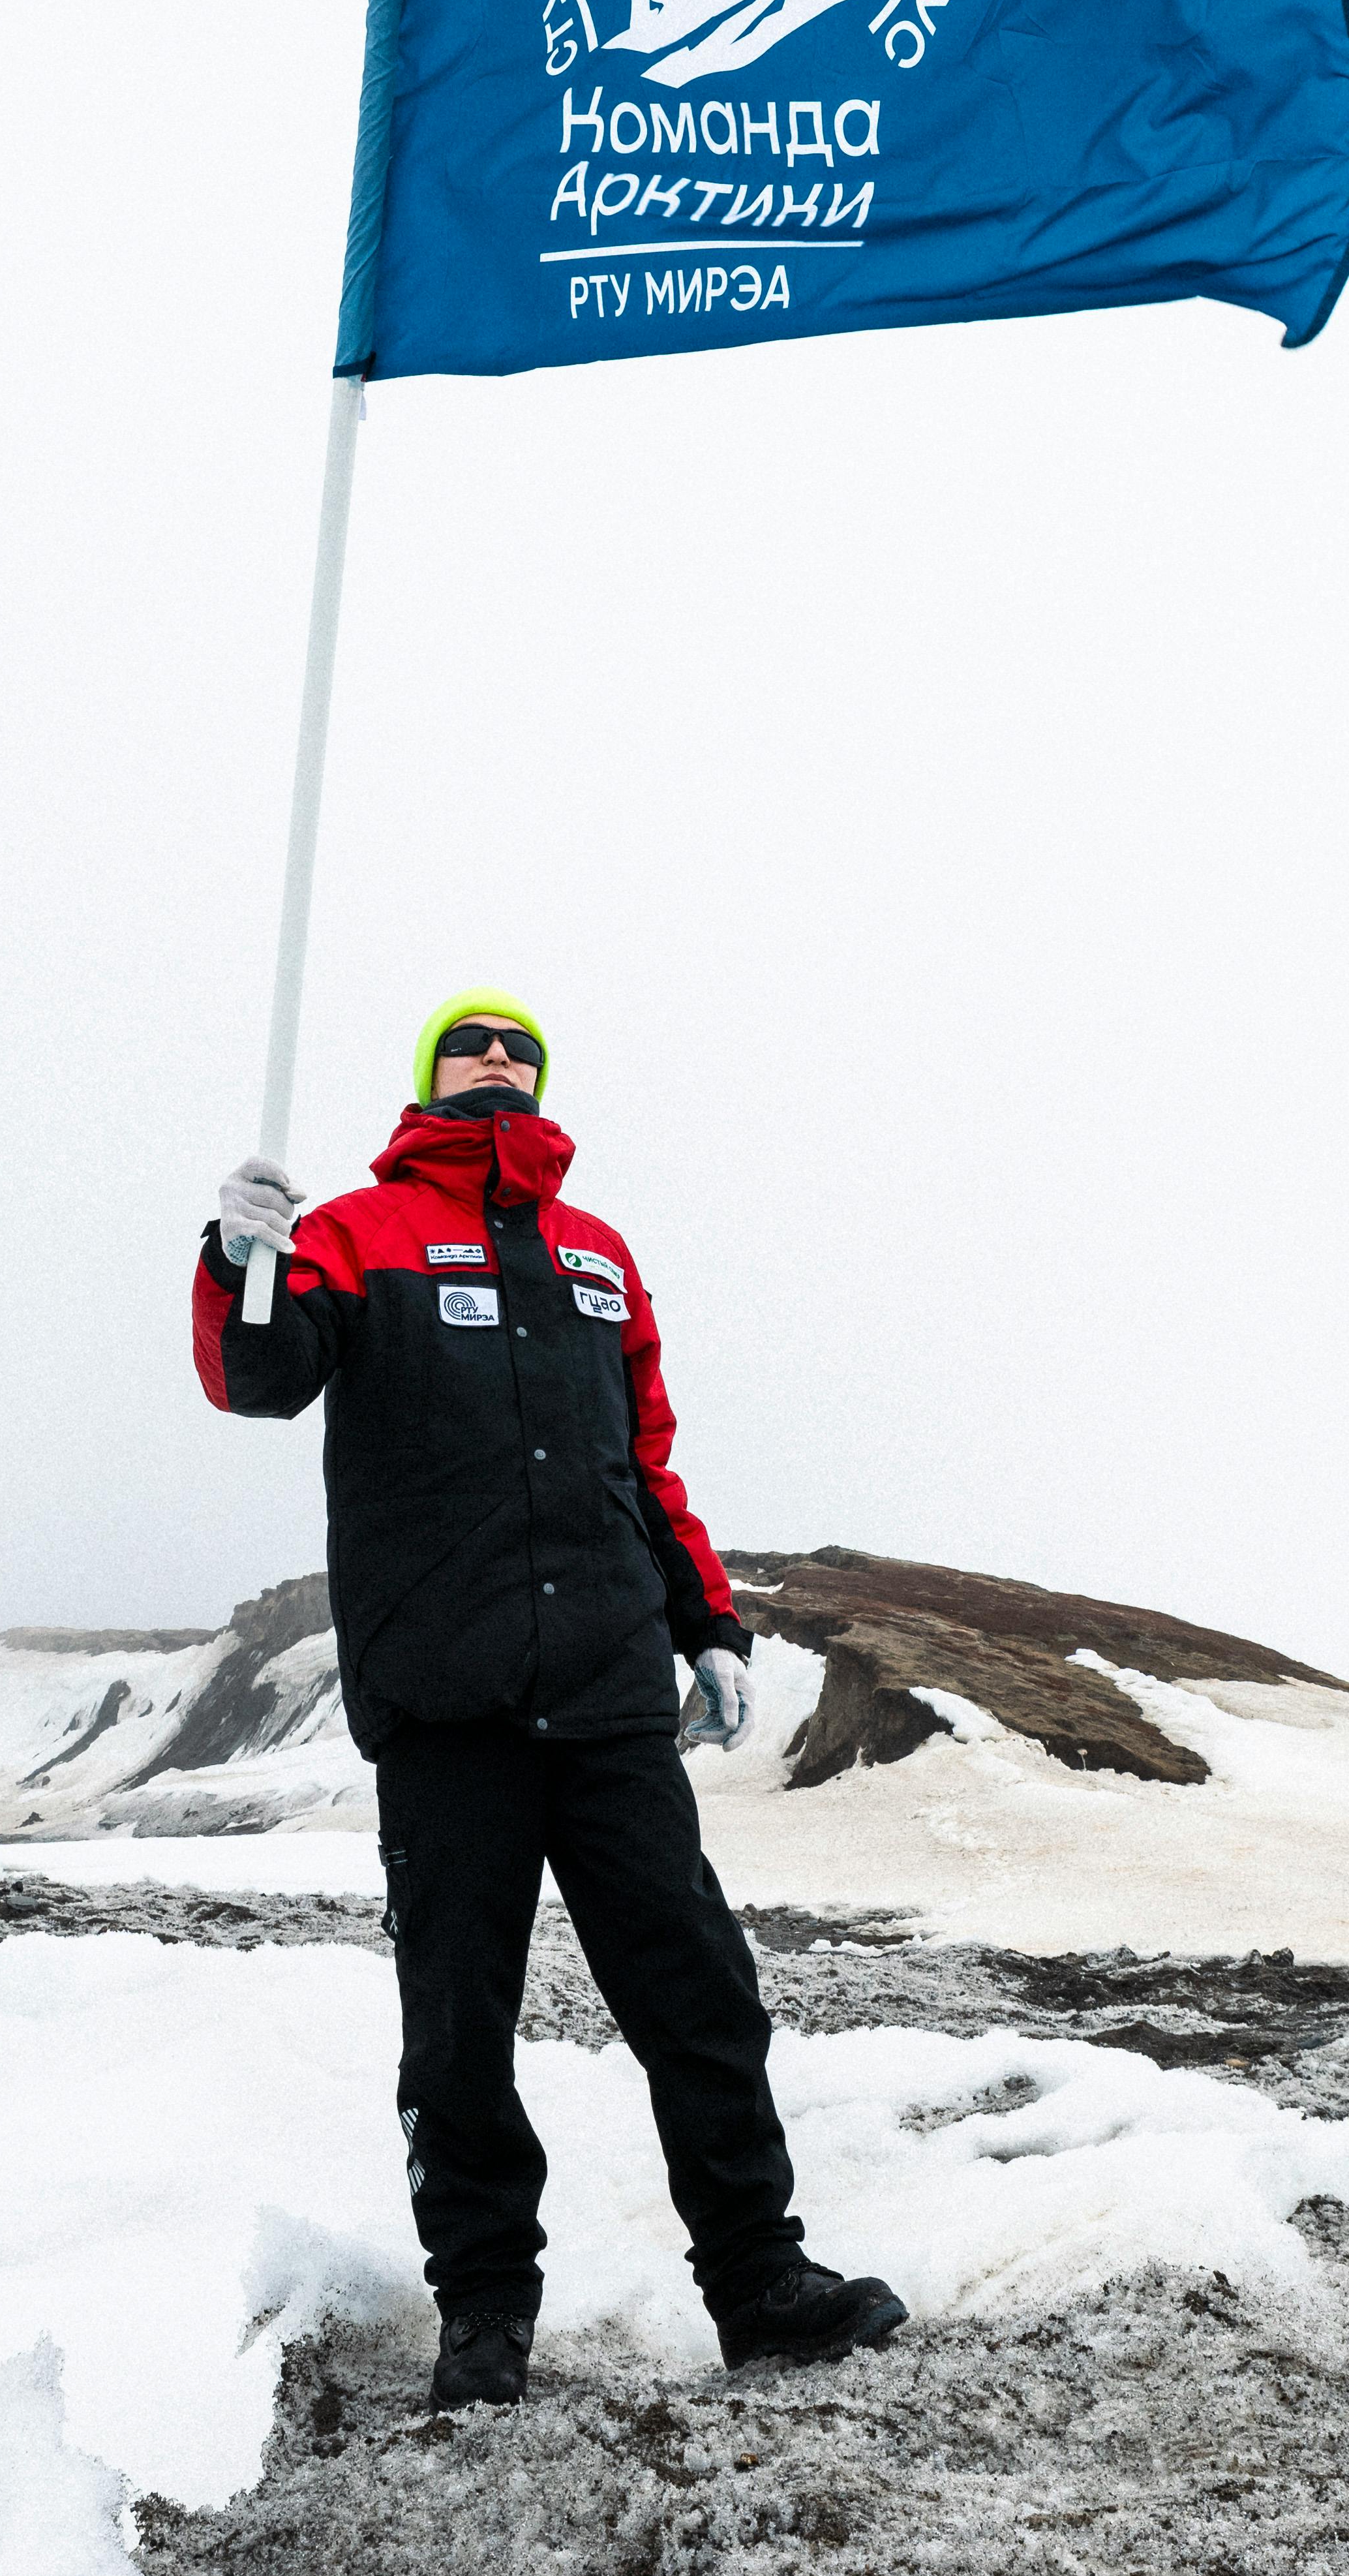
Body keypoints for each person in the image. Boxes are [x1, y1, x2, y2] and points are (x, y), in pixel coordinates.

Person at [192, 985, 907, 2410]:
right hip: (446, 1702)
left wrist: (707, 1622)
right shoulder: (352, 1230)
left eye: (523, 1045)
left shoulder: (598, 1258)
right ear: (427, 1075)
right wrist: (235, 1257)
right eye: (473, 1042)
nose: (500, 1060)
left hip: (603, 1698)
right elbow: (258, 1379)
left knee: (699, 1988)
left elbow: (645, 1460)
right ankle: (484, 2314)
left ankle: (760, 2280)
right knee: (458, 2022)